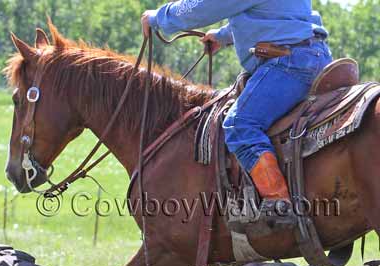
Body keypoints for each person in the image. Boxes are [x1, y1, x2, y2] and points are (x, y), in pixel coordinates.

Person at [141, 1, 332, 233]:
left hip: (288, 63)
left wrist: (158, 18)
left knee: (240, 124)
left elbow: (204, 6)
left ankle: (279, 206)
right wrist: (224, 35)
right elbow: (271, 13)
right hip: (311, 54)